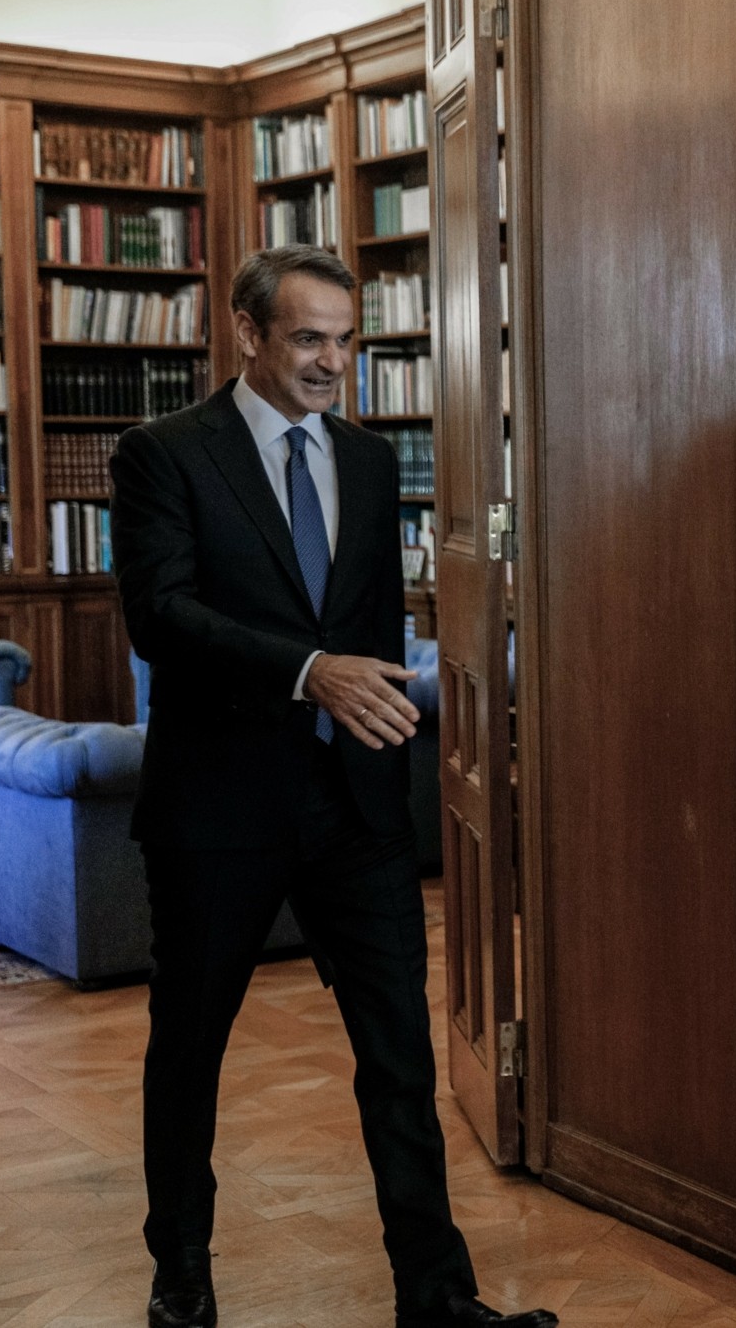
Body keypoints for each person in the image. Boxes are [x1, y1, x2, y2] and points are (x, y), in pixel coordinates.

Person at [110, 246, 556, 1328]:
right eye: (309, 337)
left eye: (346, 340)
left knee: (399, 1053)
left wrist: (372, 712)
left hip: (355, 807)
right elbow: (161, 616)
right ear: (248, 332)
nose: (331, 362)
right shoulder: (164, 453)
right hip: (218, 808)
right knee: (190, 1050)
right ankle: (182, 1274)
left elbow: (366, 626)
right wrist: (308, 672)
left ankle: (436, 1296)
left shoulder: (369, 458)